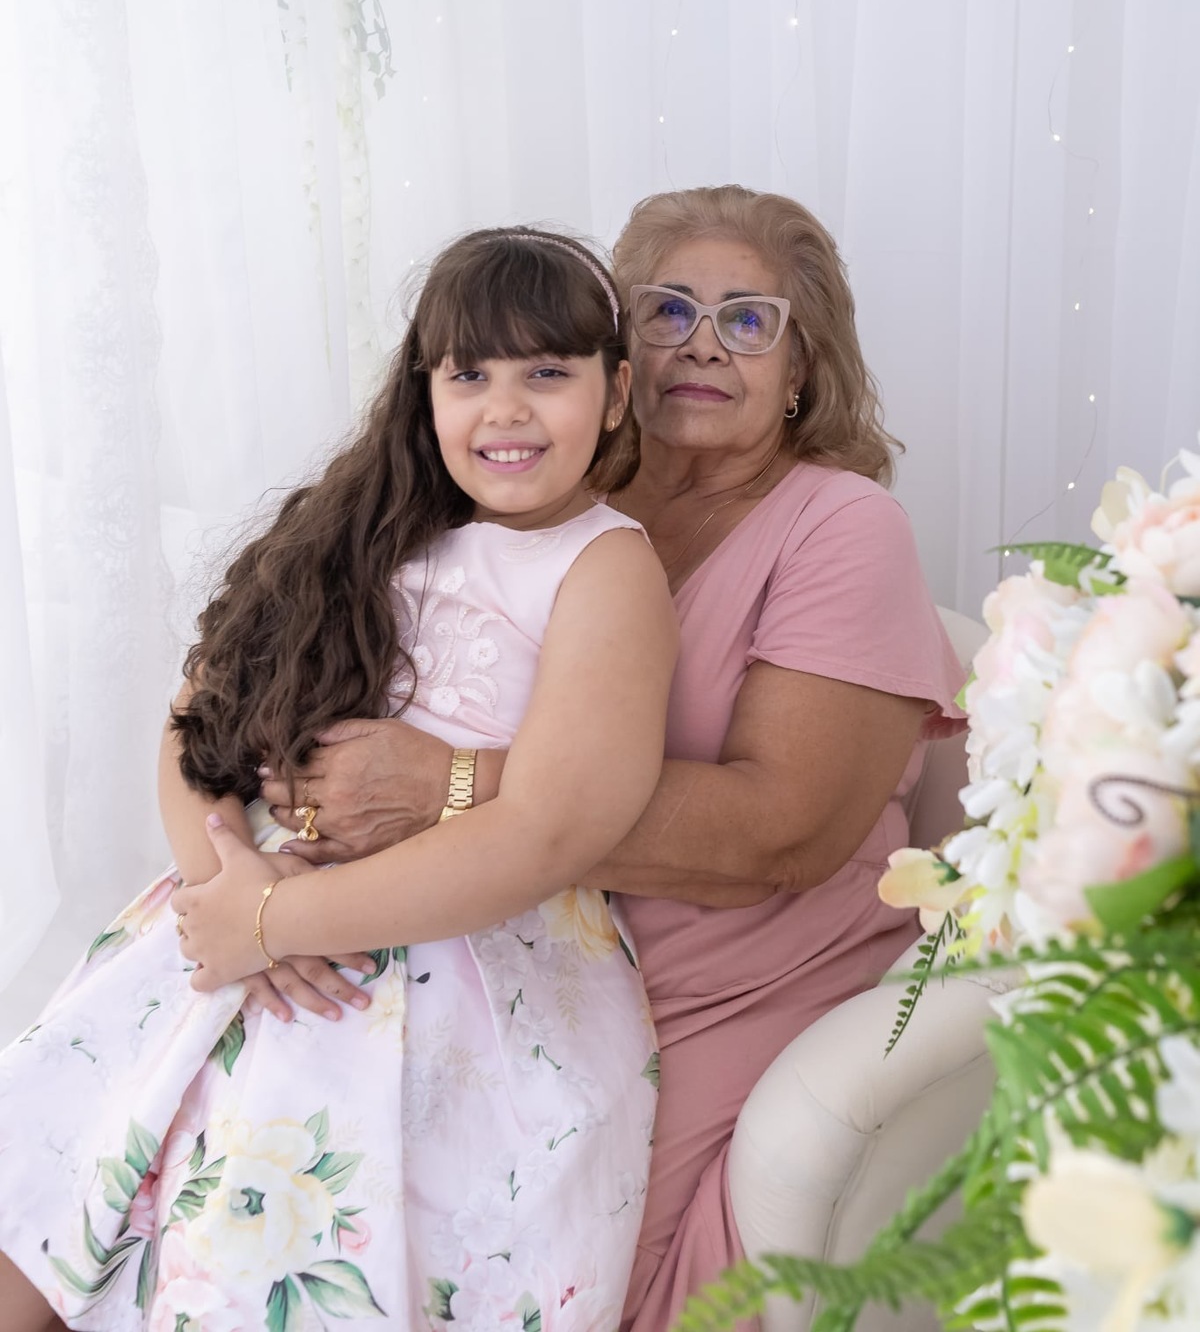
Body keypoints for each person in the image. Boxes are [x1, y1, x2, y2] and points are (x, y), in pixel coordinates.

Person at [258, 184, 968, 1329]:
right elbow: (267, 683)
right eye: (669, 309)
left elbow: (780, 832)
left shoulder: (842, 527)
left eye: (749, 321)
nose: (704, 344)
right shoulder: (538, 495)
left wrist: (441, 786)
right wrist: (264, 872)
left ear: (803, 366)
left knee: (542, 1269)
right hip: (495, 943)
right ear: (617, 355)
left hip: (725, 978)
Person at [0, 228, 677, 1332]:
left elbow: (551, 829)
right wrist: (227, 887)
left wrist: (282, 923)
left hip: (462, 958)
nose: (505, 410)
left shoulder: (604, 565)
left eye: (548, 373)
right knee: (60, 1160)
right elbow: (197, 721)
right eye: (470, 375)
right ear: (425, 392)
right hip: (241, 923)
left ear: (615, 395)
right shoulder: (364, 527)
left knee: (265, 1233)